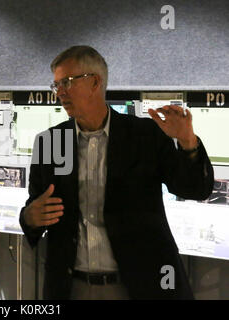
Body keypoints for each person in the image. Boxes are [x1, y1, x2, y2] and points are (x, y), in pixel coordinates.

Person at [19, 45, 214, 299]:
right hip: (71, 287)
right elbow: (33, 211)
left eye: (67, 82)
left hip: (138, 287)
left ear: (95, 82)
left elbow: (195, 189)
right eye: (56, 85)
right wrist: (30, 218)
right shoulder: (50, 142)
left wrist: (188, 142)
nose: (60, 93)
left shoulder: (146, 135)